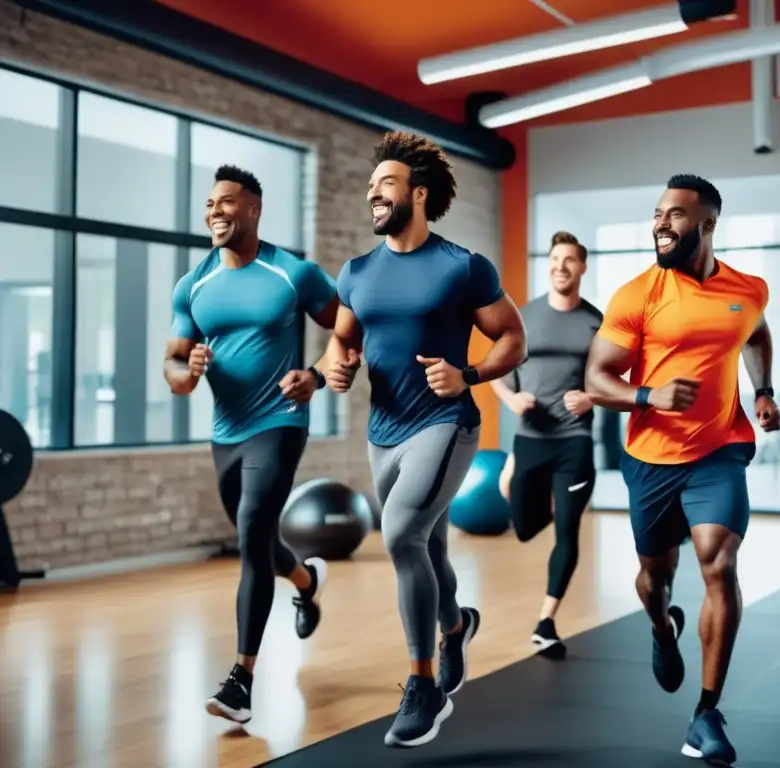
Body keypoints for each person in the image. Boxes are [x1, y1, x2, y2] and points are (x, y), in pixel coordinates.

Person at [321, 131, 527, 748]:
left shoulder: (463, 267)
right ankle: (456, 624)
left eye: (383, 184)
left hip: (446, 424)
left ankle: (423, 684)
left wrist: (470, 375)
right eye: (370, 186)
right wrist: (337, 364)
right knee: (428, 548)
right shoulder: (356, 271)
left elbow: (512, 338)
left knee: (403, 535)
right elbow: (342, 339)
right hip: (382, 432)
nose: (372, 194)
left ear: (419, 193)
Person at [584, 174, 780, 766]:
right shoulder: (636, 295)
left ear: (708, 223)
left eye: (674, 214)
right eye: (657, 213)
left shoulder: (748, 289)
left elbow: (755, 331)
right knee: (655, 577)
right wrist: (649, 397)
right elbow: (596, 381)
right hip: (650, 459)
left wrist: (763, 389)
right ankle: (661, 628)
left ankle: (706, 711)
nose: (661, 223)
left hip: (720, 450)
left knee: (719, 562)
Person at [164, 165, 340, 724]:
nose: (216, 211)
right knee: (257, 541)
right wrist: (186, 371)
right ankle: (306, 580)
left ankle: (242, 680)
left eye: (227, 202)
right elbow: (171, 361)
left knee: (249, 534)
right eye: (210, 204)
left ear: (255, 210)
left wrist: (314, 374)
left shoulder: (293, 273)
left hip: (280, 420)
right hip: (226, 430)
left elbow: (348, 330)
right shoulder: (193, 285)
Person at [490, 230, 603, 659]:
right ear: (549, 264)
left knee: (567, 533)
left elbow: (612, 378)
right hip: (531, 440)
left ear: (582, 267)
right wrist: (512, 400)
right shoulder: (524, 317)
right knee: (523, 528)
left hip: (574, 441)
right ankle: (538, 487)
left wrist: (592, 397)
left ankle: (545, 621)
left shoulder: (598, 322)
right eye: (555, 258)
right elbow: (498, 372)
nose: (561, 266)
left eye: (570, 259)